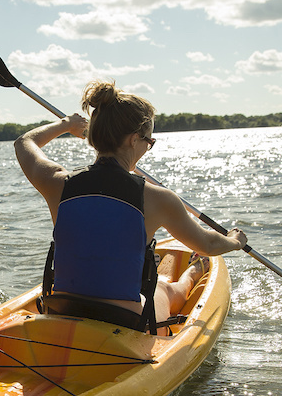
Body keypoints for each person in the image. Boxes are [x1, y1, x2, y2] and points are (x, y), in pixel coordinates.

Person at [14, 81, 247, 332]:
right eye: (149, 140)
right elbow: (208, 244)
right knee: (163, 289)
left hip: (62, 309)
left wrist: (66, 125)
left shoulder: (57, 182)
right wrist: (235, 241)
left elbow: (24, 143)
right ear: (134, 139)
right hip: (124, 321)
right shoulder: (158, 198)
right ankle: (191, 275)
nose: (148, 146)